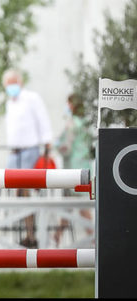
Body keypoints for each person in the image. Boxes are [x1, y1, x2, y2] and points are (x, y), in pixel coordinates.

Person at [2, 68, 53, 248]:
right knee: (11, 190)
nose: (11, 87)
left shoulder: (31, 98)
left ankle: (31, 234)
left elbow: (43, 120)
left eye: (13, 83)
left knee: (24, 190)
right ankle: (26, 233)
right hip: (14, 153)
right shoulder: (10, 103)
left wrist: (47, 142)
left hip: (30, 150)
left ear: (20, 82)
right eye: (8, 85)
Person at [53, 93, 94, 245]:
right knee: (70, 204)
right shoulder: (85, 123)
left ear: (72, 105)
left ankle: (95, 238)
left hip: (73, 169)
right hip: (85, 167)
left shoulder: (72, 124)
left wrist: (55, 146)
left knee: (80, 206)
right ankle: (57, 236)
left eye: (68, 103)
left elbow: (66, 148)